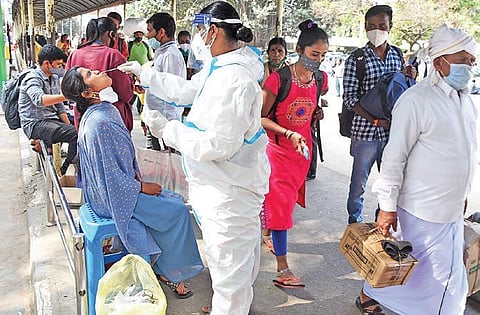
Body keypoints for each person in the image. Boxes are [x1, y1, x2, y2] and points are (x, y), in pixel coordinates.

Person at [118, 2, 270, 313]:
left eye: (201, 30)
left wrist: (167, 129)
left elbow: (216, 145)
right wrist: (146, 73)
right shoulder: (220, 68)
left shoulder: (235, 80)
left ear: (213, 31)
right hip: (219, 187)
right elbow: (187, 91)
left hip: (230, 193)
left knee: (231, 275)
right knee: (233, 271)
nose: (197, 37)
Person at [356, 24, 478, 315]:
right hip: (421, 208)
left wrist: (462, 192)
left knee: (417, 272)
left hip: (448, 209)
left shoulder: (465, 102)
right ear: (440, 62)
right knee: (441, 284)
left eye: (472, 61)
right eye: (464, 60)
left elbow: (465, 151)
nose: (470, 67)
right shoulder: (416, 101)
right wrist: (386, 207)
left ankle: (370, 294)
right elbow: (394, 158)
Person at [61, 66, 204, 299]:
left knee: (172, 200)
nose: (97, 70)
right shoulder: (101, 123)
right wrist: (141, 187)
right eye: (89, 74)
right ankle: (172, 273)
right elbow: (111, 175)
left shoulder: (103, 111)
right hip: (114, 197)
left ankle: (162, 267)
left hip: (115, 189)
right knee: (177, 211)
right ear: (87, 93)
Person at [261, 20, 328, 289]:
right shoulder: (278, 79)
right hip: (277, 151)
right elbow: (260, 118)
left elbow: (309, 111)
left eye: (323, 56)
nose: (319, 61)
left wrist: (315, 115)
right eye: (314, 55)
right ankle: (282, 267)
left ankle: (267, 231)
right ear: (299, 50)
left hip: (302, 152)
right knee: (280, 206)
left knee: (282, 205)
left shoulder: (320, 79)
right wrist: (288, 133)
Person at [342, 5, 415, 224]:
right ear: (365, 28)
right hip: (365, 133)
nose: (377, 30)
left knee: (391, 181)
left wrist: (411, 75)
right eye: (372, 26)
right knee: (358, 183)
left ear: (390, 27)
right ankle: (354, 224)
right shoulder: (356, 59)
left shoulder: (397, 55)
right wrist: (375, 120)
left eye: (382, 26)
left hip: (392, 132)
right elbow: (350, 99)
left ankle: (381, 223)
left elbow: (402, 90)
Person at [66, 17, 134, 131]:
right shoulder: (113, 55)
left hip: (83, 119)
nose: (97, 71)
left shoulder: (74, 54)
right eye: (90, 73)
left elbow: (68, 89)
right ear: (111, 34)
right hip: (112, 121)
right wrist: (131, 79)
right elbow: (126, 94)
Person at [18, 44, 76, 175]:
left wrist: (67, 124)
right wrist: (66, 95)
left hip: (51, 119)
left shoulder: (54, 78)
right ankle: (64, 169)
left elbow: (60, 105)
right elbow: (39, 100)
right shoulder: (32, 78)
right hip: (36, 123)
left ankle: (48, 146)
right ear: (47, 64)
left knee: (80, 124)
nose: (61, 68)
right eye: (58, 65)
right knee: (76, 134)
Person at [143, 12, 186, 151]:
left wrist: (168, 125)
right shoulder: (161, 52)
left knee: (166, 159)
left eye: (150, 30)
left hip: (165, 118)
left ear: (161, 32)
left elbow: (170, 89)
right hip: (156, 116)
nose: (147, 35)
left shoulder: (170, 55)